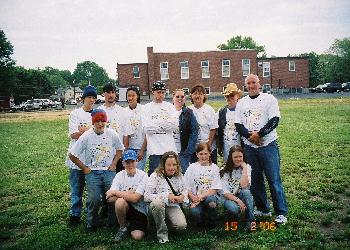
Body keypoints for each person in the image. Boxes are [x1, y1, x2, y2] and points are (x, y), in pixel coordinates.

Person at [234, 74, 288, 225]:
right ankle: (263, 208)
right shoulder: (242, 103)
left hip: (268, 145)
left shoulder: (269, 99)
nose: (251, 86)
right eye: (248, 83)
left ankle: (281, 212)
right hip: (250, 147)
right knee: (256, 179)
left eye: (253, 83)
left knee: (273, 179)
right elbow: (238, 124)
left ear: (259, 84)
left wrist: (260, 134)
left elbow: (275, 119)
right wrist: (251, 137)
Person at [69, 109, 124, 231]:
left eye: (102, 121)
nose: (100, 124)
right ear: (93, 122)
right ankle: (91, 223)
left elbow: (120, 149)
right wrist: (85, 168)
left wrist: (114, 163)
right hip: (92, 172)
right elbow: (72, 154)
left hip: (109, 171)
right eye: (97, 121)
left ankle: (112, 222)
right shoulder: (86, 136)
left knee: (112, 198)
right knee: (94, 199)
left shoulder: (112, 134)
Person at [65, 85, 97, 227]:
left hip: (92, 159)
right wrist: (91, 129)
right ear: (83, 98)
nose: (91, 100)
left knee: (93, 192)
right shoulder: (75, 114)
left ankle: (92, 216)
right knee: (76, 190)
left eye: (93, 97)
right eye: (89, 97)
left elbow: (100, 132)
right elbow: (74, 134)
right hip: (76, 158)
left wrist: (84, 130)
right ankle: (75, 215)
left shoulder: (97, 114)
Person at [106, 149, 149, 242]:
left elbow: (135, 199)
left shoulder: (143, 176)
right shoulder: (119, 175)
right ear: (123, 163)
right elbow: (109, 197)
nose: (130, 165)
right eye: (127, 162)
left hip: (139, 209)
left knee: (137, 237)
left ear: (137, 161)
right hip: (125, 207)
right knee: (120, 202)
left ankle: (131, 224)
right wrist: (128, 194)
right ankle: (122, 228)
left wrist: (117, 192)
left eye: (132, 161)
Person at [144, 151, 187, 244]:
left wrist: (182, 196)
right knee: (157, 203)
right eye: (169, 165)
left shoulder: (179, 175)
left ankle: (162, 224)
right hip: (157, 207)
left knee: (181, 226)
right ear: (163, 165)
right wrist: (166, 195)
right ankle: (162, 234)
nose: (172, 168)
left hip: (172, 206)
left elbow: (185, 190)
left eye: (174, 164)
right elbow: (146, 196)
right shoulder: (155, 176)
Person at [141, 81, 178, 175]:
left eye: (163, 92)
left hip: (169, 148)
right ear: (153, 92)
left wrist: (155, 123)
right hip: (154, 150)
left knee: (170, 175)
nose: (161, 94)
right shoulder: (146, 108)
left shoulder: (170, 107)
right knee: (154, 176)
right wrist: (165, 125)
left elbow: (174, 125)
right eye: (158, 92)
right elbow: (147, 128)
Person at [184, 143, 222, 227]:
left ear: (210, 153)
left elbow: (214, 189)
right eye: (201, 154)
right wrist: (193, 198)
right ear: (197, 154)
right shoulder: (192, 167)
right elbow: (185, 186)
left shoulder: (214, 168)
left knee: (211, 202)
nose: (203, 156)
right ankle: (202, 221)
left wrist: (200, 197)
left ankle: (213, 221)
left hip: (209, 197)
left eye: (206, 153)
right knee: (195, 212)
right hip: (195, 199)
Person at [99, 83, 133, 173]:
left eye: (113, 92)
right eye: (108, 92)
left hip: (119, 154)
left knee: (120, 183)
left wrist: (123, 152)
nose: (111, 95)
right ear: (103, 94)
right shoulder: (99, 111)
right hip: (103, 154)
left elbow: (126, 134)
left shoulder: (122, 111)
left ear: (115, 94)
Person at [219, 145, 255, 229]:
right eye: (235, 157)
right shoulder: (224, 169)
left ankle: (250, 221)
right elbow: (225, 193)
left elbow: (244, 186)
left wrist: (245, 168)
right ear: (230, 158)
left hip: (241, 194)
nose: (238, 159)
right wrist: (238, 201)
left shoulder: (247, 167)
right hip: (228, 197)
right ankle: (232, 218)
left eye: (240, 156)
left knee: (246, 191)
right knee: (234, 209)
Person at [188, 84, 218, 164]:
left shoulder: (209, 110)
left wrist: (208, 146)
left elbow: (213, 129)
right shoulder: (188, 110)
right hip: (194, 149)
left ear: (204, 96)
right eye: (195, 94)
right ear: (191, 96)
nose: (198, 96)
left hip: (209, 147)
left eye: (200, 94)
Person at [172, 89, 199, 172]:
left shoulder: (189, 113)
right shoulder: (167, 111)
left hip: (183, 150)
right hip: (169, 149)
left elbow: (194, 131)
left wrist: (189, 150)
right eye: (177, 96)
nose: (180, 98)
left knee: (185, 173)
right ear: (173, 98)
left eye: (182, 97)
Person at [217, 83, 243, 162]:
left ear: (237, 96)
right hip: (226, 147)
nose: (229, 98)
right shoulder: (221, 112)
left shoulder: (242, 110)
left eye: (232, 95)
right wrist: (219, 146)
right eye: (227, 96)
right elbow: (216, 130)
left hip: (241, 147)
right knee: (228, 169)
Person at [125, 86, 147, 170]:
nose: (130, 98)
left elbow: (147, 132)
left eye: (133, 95)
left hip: (141, 147)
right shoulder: (124, 111)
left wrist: (142, 149)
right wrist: (125, 149)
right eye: (128, 96)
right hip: (129, 148)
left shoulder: (144, 110)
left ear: (137, 96)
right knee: (130, 172)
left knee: (139, 172)